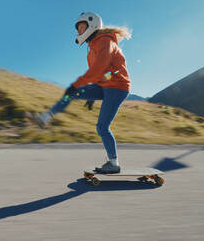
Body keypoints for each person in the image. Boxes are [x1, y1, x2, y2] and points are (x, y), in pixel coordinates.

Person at [30, 12, 132, 174]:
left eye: (82, 27)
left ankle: (114, 163)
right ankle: (45, 117)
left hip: (117, 87)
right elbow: (104, 72)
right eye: (78, 29)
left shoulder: (106, 41)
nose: (79, 31)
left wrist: (77, 83)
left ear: (92, 26)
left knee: (102, 127)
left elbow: (100, 69)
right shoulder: (92, 47)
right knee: (72, 93)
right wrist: (94, 90)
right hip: (105, 85)